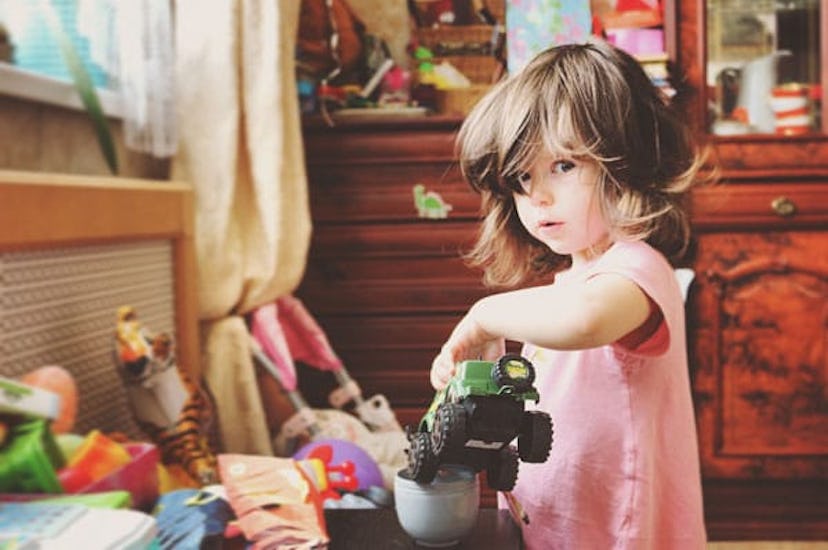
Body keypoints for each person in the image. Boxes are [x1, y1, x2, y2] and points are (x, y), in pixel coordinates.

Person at [429, 40, 708, 549]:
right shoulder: (567, 287)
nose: (537, 197)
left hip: (613, 532)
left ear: (627, 160)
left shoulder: (638, 271)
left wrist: (484, 316)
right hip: (555, 523)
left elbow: (582, 322)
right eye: (521, 177)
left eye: (563, 166)